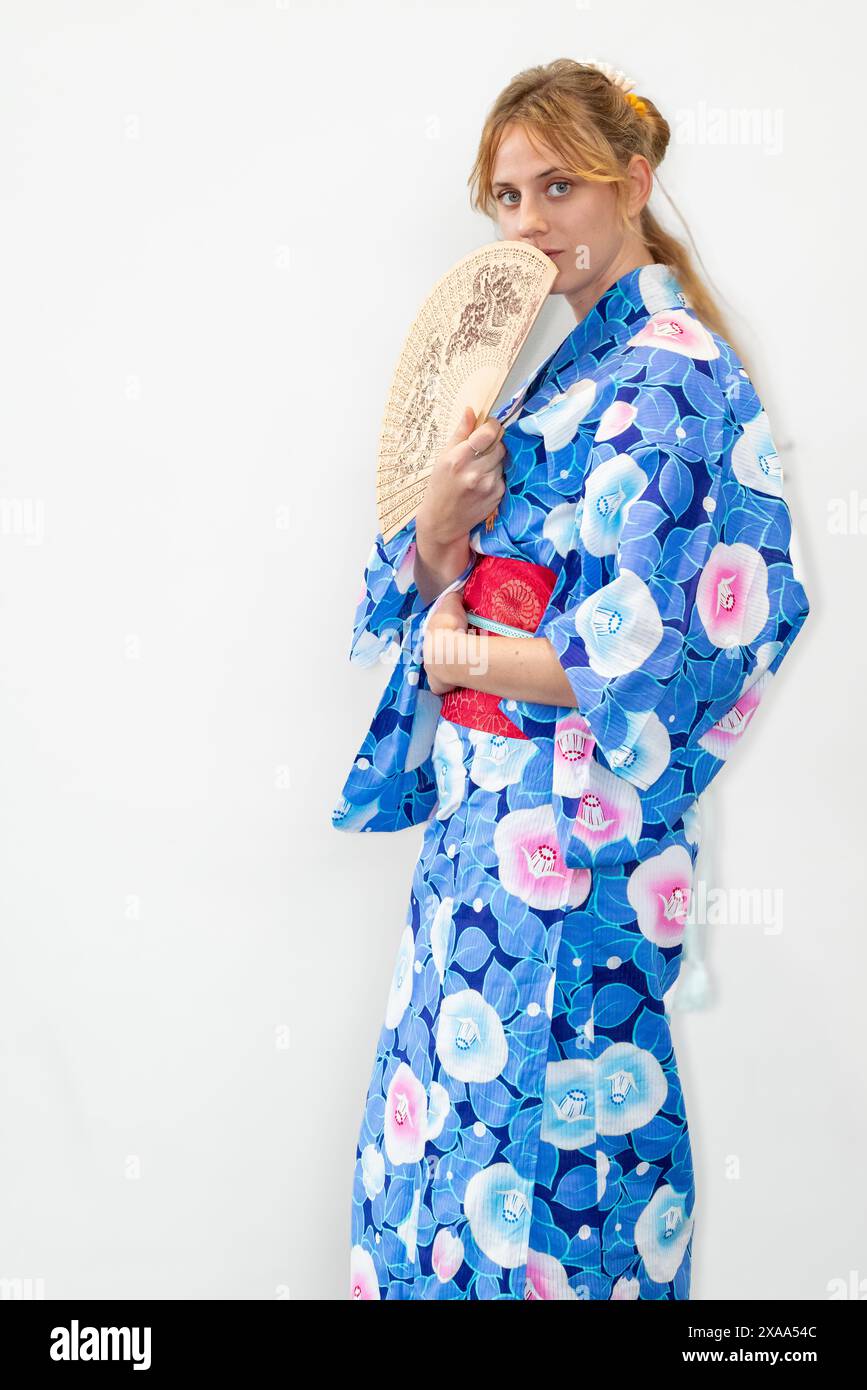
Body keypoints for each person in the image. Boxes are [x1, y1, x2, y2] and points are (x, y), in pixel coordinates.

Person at [333, 58, 811, 1300]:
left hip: (576, 843)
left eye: (560, 186)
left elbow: (641, 656)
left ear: (633, 182)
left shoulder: (670, 372)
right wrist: (440, 530)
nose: (530, 223)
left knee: (559, 1175)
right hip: (484, 836)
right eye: (504, 196)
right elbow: (445, 574)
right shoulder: (565, 365)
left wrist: (458, 652)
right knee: (448, 1154)